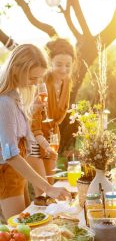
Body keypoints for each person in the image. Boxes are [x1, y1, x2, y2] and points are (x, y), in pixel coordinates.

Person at [0, 44, 71, 221]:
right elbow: (10, 154)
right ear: (17, 69)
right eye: (33, 78)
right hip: (7, 173)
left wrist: (30, 110)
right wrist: (48, 187)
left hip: (17, 171)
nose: (35, 83)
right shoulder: (5, 102)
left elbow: (16, 129)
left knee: (26, 225)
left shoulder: (15, 96)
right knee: (18, 233)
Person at [27, 38, 75, 192]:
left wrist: (51, 140)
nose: (63, 69)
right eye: (59, 64)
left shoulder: (66, 82)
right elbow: (33, 118)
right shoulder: (40, 83)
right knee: (42, 190)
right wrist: (43, 142)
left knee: (51, 188)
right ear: (50, 62)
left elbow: (59, 117)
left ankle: (50, 215)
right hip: (35, 139)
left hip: (52, 137)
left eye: (68, 65)